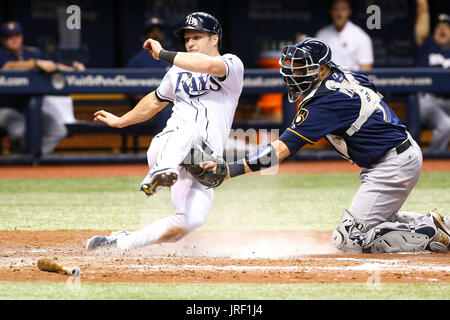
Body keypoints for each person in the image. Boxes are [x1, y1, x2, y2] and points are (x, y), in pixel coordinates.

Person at [194, 38, 450, 254]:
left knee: (348, 241)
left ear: (321, 69)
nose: (293, 75)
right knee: (371, 222)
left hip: (392, 164)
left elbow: (279, 151)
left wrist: (229, 170)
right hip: (395, 157)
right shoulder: (346, 75)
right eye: (292, 69)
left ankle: (426, 232)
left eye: (300, 69)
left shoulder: (324, 102)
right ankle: (435, 223)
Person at [86, 12, 244, 252]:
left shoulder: (232, 64)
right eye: (187, 38)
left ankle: (118, 243)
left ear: (214, 38)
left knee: (187, 223)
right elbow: (155, 100)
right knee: (191, 124)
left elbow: (210, 65)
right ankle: (161, 171)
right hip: (167, 146)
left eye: (197, 37)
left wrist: (162, 54)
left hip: (203, 162)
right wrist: (121, 121)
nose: (190, 43)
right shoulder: (176, 71)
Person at [0, 21, 85, 154]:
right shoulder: (2, 55)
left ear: (21, 36)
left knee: (58, 131)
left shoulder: (33, 53)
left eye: (16, 35)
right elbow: (9, 66)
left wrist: (71, 68)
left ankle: (31, 160)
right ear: (3, 40)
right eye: (9, 36)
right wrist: (36, 64)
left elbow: (52, 64)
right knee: (18, 132)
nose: (14, 39)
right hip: (6, 108)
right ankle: (19, 161)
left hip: (30, 107)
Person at [126, 17, 172, 135]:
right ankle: (163, 148)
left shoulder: (169, 58)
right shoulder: (138, 60)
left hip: (169, 104)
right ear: (147, 35)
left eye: (159, 31)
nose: (156, 34)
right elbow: (126, 85)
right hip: (146, 106)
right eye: (152, 31)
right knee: (164, 109)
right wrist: (148, 102)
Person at [414, 0, 450, 150]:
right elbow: (422, 9)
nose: (442, 28)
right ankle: (432, 161)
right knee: (446, 125)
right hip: (429, 101)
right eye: (438, 27)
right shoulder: (427, 45)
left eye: (447, 27)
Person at [316, 0, 373, 71]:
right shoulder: (321, 35)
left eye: (343, 9)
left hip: (351, 81)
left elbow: (366, 70)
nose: (339, 14)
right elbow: (315, 66)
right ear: (330, 12)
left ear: (349, 12)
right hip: (325, 80)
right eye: (336, 9)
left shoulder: (361, 37)